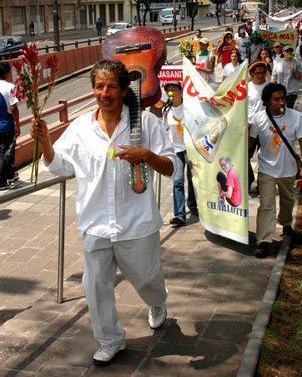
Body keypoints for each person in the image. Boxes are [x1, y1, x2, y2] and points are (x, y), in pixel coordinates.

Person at [30, 59, 176, 366]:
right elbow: (60, 166)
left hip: (136, 224)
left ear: (124, 90)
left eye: (112, 86)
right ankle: (110, 339)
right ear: (93, 90)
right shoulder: (81, 127)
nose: (105, 92)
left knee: (148, 280)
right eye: (99, 86)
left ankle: (157, 302)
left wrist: (146, 154)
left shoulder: (145, 123)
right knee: (94, 287)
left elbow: (171, 166)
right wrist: (45, 141)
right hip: (95, 224)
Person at [249, 83, 302, 258]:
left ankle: (286, 224)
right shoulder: (258, 119)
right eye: (277, 99)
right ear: (267, 101)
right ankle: (263, 241)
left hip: (288, 170)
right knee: (266, 205)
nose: (282, 102)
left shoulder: (296, 117)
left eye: (283, 98)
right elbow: (250, 144)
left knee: (287, 201)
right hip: (267, 170)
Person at [163, 81, 198, 226]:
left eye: (174, 89)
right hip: (175, 150)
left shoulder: (189, 108)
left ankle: (193, 205)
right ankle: (179, 214)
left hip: (189, 148)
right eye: (168, 90)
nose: (171, 92)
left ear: (180, 91)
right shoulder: (166, 111)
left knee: (192, 179)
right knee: (177, 181)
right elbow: (165, 129)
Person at [248, 60, 270, 191]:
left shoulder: (270, 87)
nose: (260, 75)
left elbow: (279, 106)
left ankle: (261, 185)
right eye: (257, 73)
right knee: (246, 157)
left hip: (266, 128)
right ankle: (249, 178)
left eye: (263, 73)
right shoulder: (245, 88)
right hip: (250, 128)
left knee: (264, 158)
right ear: (252, 74)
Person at [0, 62, 20, 190]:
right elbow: (14, 108)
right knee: (4, 152)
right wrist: (17, 124)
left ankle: (10, 175)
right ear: (7, 73)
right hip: (6, 126)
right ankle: (1, 181)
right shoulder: (11, 87)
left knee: (4, 151)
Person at [271, 44, 302, 109]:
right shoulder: (278, 63)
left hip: (292, 91)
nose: (289, 52)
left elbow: (299, 77)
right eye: (287, 51)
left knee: (288, 108)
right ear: (283, 52)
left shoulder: (296, 63)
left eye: (290, 51)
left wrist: (294, 72)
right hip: (281, 93)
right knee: (281, 108)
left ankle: (288, 118)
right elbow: (274, 77)